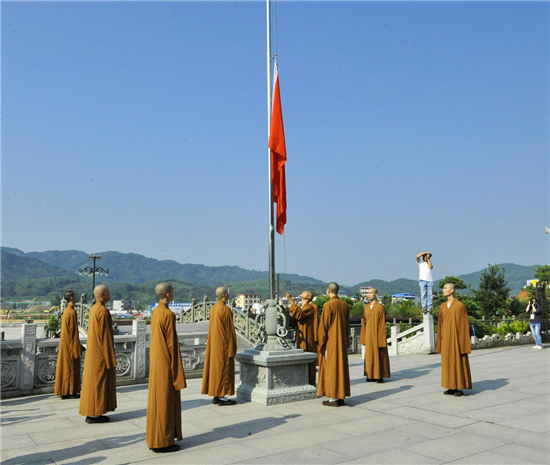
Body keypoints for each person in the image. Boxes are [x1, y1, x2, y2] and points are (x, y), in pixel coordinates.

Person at [146, 283, 187, 453]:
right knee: (165, 401)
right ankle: (163, 441)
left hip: (157, 362)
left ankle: (155, 437)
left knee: (157, 400)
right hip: (166, 364)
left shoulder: (155, 312)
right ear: (169, 294)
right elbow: (172, 345)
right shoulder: (169, 314)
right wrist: (177, 371)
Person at [79, 285, 117, 423]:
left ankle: (94, 412)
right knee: (98, 382)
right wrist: (109, 357)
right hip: (100, 353)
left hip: (93, 352)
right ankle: (94, 414)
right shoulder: (102, 310)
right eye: (108, 292)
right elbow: (104, 336)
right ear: (102, 293)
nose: (110, 294)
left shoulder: (94, 308)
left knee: (94, 382)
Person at [201, 286, 237, 405]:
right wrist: (232, 347)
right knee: (223, 369)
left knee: (215, 369)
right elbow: (230, 331)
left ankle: (216, 394)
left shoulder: (213, 308)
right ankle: (221, 396)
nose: (228, 295)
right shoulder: (225, 310)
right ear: (224, 295)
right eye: (227, 293)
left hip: (214, 344)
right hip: (223, 345)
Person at [435, 283, 472, 397]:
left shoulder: (460, 305)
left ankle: (459, 387)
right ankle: (451, 386)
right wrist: (440, 340)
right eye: (443, 288)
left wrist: (463, 343)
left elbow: (464, 325)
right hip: (446, 339)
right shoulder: (442, 306)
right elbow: (440, 325)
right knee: (447, 363)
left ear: (452, 290)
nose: (443, 290)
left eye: (445, 288)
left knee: (458, 362)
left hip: (456, 339)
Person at [317, 282, 350, 407]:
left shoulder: (328, 305)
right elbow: (347, 326)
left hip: (331, 342)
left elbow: (323, 327)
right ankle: (341, 395)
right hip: (342, 342)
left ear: (328, 291)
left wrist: (321, 344)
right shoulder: (344, 305)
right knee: (341, 368)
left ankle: (333, 398)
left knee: (331, 369)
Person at [285, 290, 319, 386]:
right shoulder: (302, 307)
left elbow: (300, 315)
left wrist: (290, 299)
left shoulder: (310, 307)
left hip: (308, 337)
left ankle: (310, 383)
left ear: (308, 297)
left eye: (305, 292)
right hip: (301, 336)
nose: (303, 292)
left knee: (308, 359)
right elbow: (294, 321)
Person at [359, 287, 390, 383]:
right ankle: (370, 375)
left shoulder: (380, 307)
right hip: (368, 334)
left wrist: (381, 339)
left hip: (377, 334)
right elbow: (364, 323)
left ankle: (379, 375)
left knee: (378, 354)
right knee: (369, 355)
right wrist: (363, 337)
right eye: (368, 293)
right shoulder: (366, 307)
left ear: (376, 294)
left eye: (371, 293)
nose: (368, 294)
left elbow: (381, 324)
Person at [54, 290, 82, 399]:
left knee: (65, 367)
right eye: (75, 296)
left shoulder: (66, 311)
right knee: (70, 367)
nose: (77, 297)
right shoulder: (71, 312)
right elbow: (73, 332)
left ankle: (65, 390)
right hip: (70, 344)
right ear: (71, 298)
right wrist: (75, 348)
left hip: (65, 343)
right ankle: (70, 391)